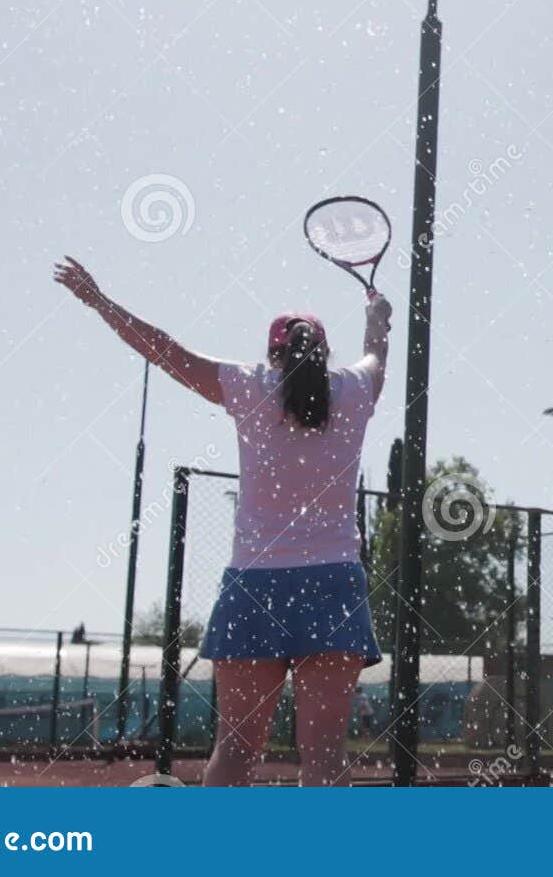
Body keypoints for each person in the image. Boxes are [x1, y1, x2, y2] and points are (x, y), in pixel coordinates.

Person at [54, 257, 391, 786]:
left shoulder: (248, 385)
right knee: (325, 754)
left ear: (272, 350)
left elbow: (164, 349)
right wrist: (377, 315)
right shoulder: (355, 390)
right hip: (334, 585)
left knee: (235, 752)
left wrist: (100, 302)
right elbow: (378, 354)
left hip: (254, 587)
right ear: (325, 351)